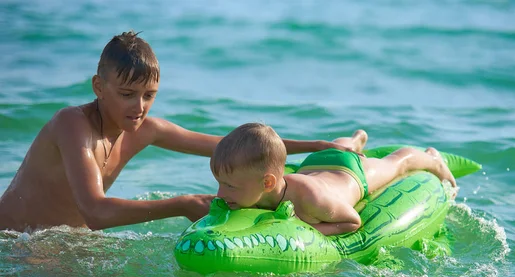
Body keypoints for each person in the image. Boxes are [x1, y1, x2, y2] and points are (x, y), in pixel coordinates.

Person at [0, 31, 358, 232]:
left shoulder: (145, 129)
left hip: (65, 242)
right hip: (14, 243)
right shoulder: (70, 124)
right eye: (126, 94)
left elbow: (231, 146)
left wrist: (319, 144)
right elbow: (96, 211)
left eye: (149, 95)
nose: (139, 107)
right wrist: (183, 204)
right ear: (98, 86)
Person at [210, 123, 457, 236]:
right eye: (220, 183)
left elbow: (352, 221)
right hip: (313, 165)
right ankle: (354, 140)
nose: (220, 194)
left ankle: (432, 159)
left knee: (394, 164)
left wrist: (310, 230)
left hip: (348, 173)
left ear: (267, 183)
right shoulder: (254, 190)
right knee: (338, 148)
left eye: (229, 186)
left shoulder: (312, 199)